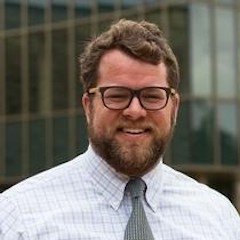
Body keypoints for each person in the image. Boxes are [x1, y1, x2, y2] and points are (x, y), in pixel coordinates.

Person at [0, 19, 239, 240]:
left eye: (152, 96)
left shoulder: (219, 218)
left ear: (174, 108)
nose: (135, 111)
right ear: (88, 106)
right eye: (117, 95)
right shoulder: (17, 218)